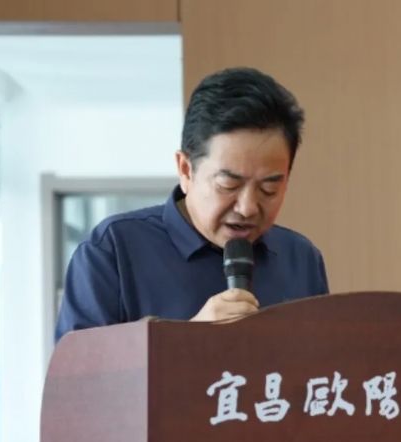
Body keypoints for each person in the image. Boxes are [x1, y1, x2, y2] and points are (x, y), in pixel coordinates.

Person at [55, 67, 329, 341]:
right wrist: (188, 339)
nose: (247, 208)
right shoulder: (113, 250)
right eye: (228, 185)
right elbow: (78, 369)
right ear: (186, 170)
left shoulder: (300, 259)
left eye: (269, 188)